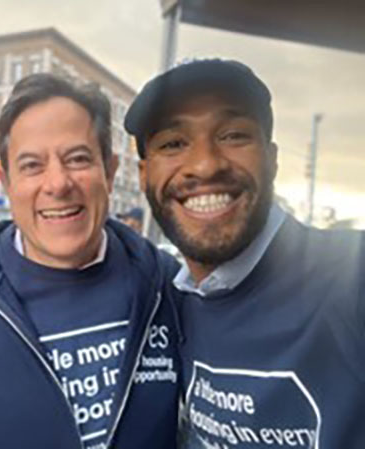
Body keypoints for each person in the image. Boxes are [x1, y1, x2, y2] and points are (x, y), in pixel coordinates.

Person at [0, 73, 180, 449]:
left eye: (77, 158)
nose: (57, 184)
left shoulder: (169, 287)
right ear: (5, 180)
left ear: (110, 169)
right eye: (32, 165)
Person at [124, 58, 365, 448]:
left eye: (233, 135)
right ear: (144, 175)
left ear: (271, 159)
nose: (205, 165)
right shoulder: (170, 302)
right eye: (173, 143)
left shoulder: (349, 278)